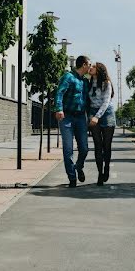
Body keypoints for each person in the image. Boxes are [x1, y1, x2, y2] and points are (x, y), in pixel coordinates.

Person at [55, 55, 91, 187]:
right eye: (89, 65)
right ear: (84, 65)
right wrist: (59, 109)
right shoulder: (68, 77)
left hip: (81, 117)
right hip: (67, 118)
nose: (90, 67)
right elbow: (59, 93)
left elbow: (88, 101)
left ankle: (78, 166)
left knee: (84, 148)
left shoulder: (85, 82)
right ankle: (72, 178)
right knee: (68, 149)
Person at [88, 62, 116, 185]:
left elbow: (106, 102)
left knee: (106, 145)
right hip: (93, 113)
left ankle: (107, 167)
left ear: (99, 69)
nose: (90, 68)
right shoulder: (88, 83)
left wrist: (97, 117)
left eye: (93, 66)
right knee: (98, 145)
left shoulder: (106, 83)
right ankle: (100, 173)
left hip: (107, 114)